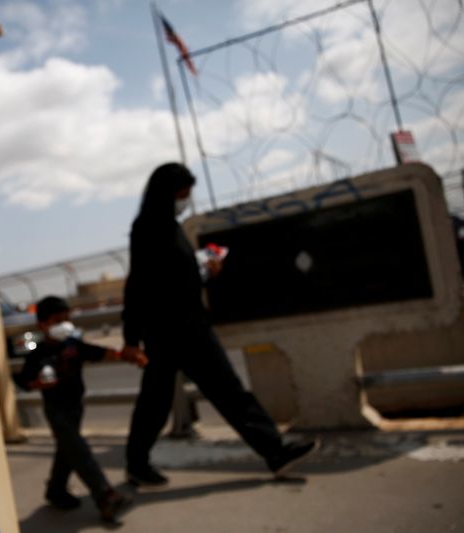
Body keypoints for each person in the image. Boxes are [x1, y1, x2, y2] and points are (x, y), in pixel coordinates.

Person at [121, 162, 318, 487]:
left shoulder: (170, 226)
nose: (186, 199)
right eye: (182, 194)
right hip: (172, 330)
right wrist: (130, 338)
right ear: (166, 193)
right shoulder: (147, 228)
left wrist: (204, 273)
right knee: (200, 396)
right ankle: (274, 451)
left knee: (193, 396)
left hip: (184, 325)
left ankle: (274, 451)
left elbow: (174, 277)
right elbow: (138, 284)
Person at [15, 296, 149, 522]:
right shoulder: (38, 354)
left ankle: (56, 491)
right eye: (58, 321)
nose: (65, 325)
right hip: (56, 409)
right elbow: (23, 381)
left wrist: (127, 355)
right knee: (79, 450)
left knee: (68, 450)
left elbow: (101, 352)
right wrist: (37, 384)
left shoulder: (74, 346)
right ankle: (105, 496)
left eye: (67, 319)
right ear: (42, 325)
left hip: (75, 406)